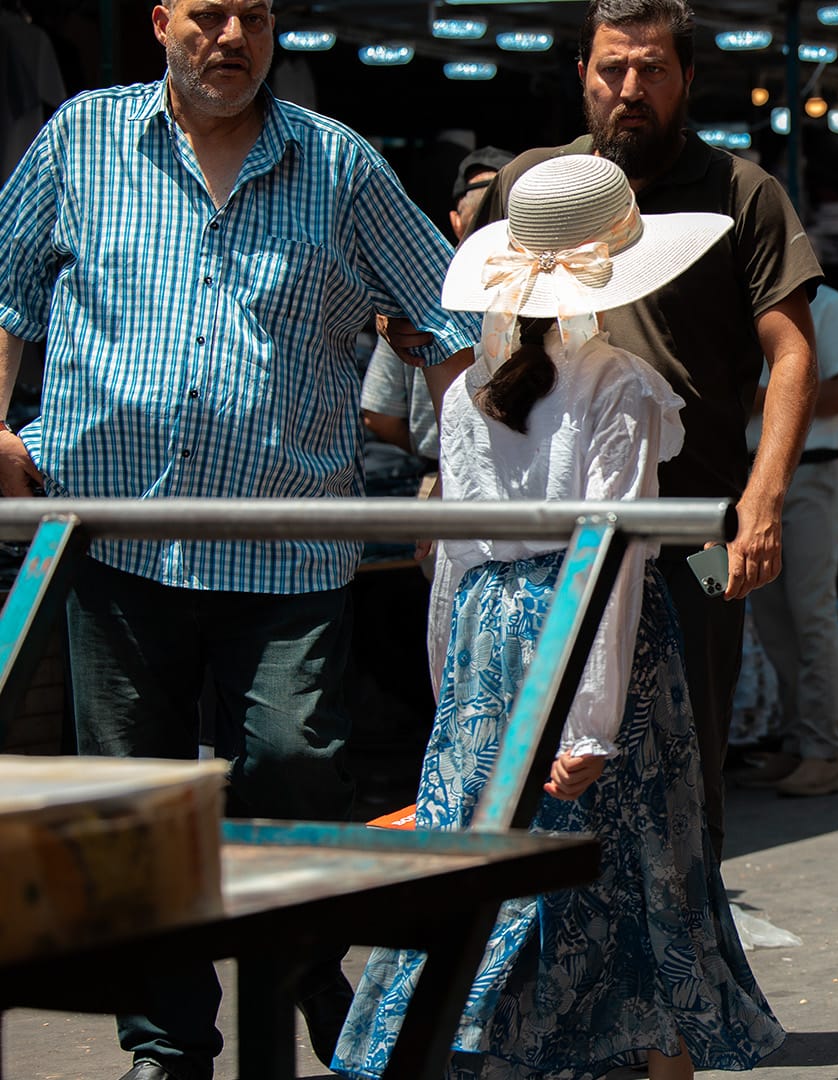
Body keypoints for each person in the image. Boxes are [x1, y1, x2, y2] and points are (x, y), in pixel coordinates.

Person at [0, 3, 479, 1077]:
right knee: (136, 802)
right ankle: (168, 1044)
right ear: (161, 19)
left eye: (254, 18)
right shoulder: (83, 136)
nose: (232, 37)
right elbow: (7, 281)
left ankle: (300, 962)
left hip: (286, 543)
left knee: (295, 764)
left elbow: (449, 314)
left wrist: (486, 469)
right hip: (118, 535)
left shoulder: (335, 163)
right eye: (208, 14)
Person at [333, 154, 783, 1079]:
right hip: (588, 638)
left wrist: (450, 688)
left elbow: (454, 553)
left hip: (488, 639)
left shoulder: (464, 391)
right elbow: (608, 557)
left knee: (488, 854)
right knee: (636, 859)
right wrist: (591, 721)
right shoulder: (616, 384)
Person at [467, 0, 823, 859]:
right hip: (550, 534)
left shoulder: (742, 193)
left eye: (652, 69)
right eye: (612, 69)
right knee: (548, 759)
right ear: (583, 76)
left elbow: (793, 352)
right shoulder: (535, 186)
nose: (631, 88)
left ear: (687, 78)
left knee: (686, 736)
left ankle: (689, 962)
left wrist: (761, 502)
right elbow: (481, 337)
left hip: (697, 533)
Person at [737, 281, 838, 797]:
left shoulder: (834, 309)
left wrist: (761, 400)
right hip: (760, 474)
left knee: (809, 611)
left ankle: (824, 751)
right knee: (773, 617)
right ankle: (799, 743)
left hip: (813, 472)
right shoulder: (752, 310)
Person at [361, 147, 512, 472]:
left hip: (442, 477)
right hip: (531, 479)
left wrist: (440, 453)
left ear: (456, 223)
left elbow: (378, 414)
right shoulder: (548, 291)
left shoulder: (416, 294)